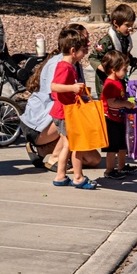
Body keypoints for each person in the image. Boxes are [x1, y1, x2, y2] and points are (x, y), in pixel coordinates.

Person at [21, 24, 102, 171]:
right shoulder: (60, 64)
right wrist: (74, 91)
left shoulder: (73, 63)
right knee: (75, 123)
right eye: (85, 39)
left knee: (94, 160)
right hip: (41, 124)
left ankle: (44, 151)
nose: (89, 43)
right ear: (73, 46)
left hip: (58, 118)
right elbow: (55, 91)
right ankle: (56, 159)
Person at [49, 28, 96, 189]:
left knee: (67, 145)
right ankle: (78, 177)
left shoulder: (67, 66)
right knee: (77, 145)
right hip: (65, 113)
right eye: (83, 51)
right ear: (73, 51)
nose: (85, 54)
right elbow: (54, 86)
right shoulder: (65, 67)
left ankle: (61, 176)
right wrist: (72, 88)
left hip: (62, 111)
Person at [89, 4, 137, 97]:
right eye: (127, 25)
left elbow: (125, 56)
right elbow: (93, 58)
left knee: (119, 103)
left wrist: (135, 62)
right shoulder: (106, 41)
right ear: (116, 23)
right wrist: (104, 69)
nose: (130, 28)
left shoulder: (125, 39)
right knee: (107, 106)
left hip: (119, 80)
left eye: (131, 25)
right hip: (105, 83)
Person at [99, 51, 137, 181]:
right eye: (124, 69)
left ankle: (121, 167)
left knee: (122, 145)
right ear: (114, 69)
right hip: (110, 120)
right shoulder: (110, 84)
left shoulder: (118, 81)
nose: (126, 72)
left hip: (118, 119)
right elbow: (111, 102)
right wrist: (126, 104)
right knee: (112, 147)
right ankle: (109, 170)